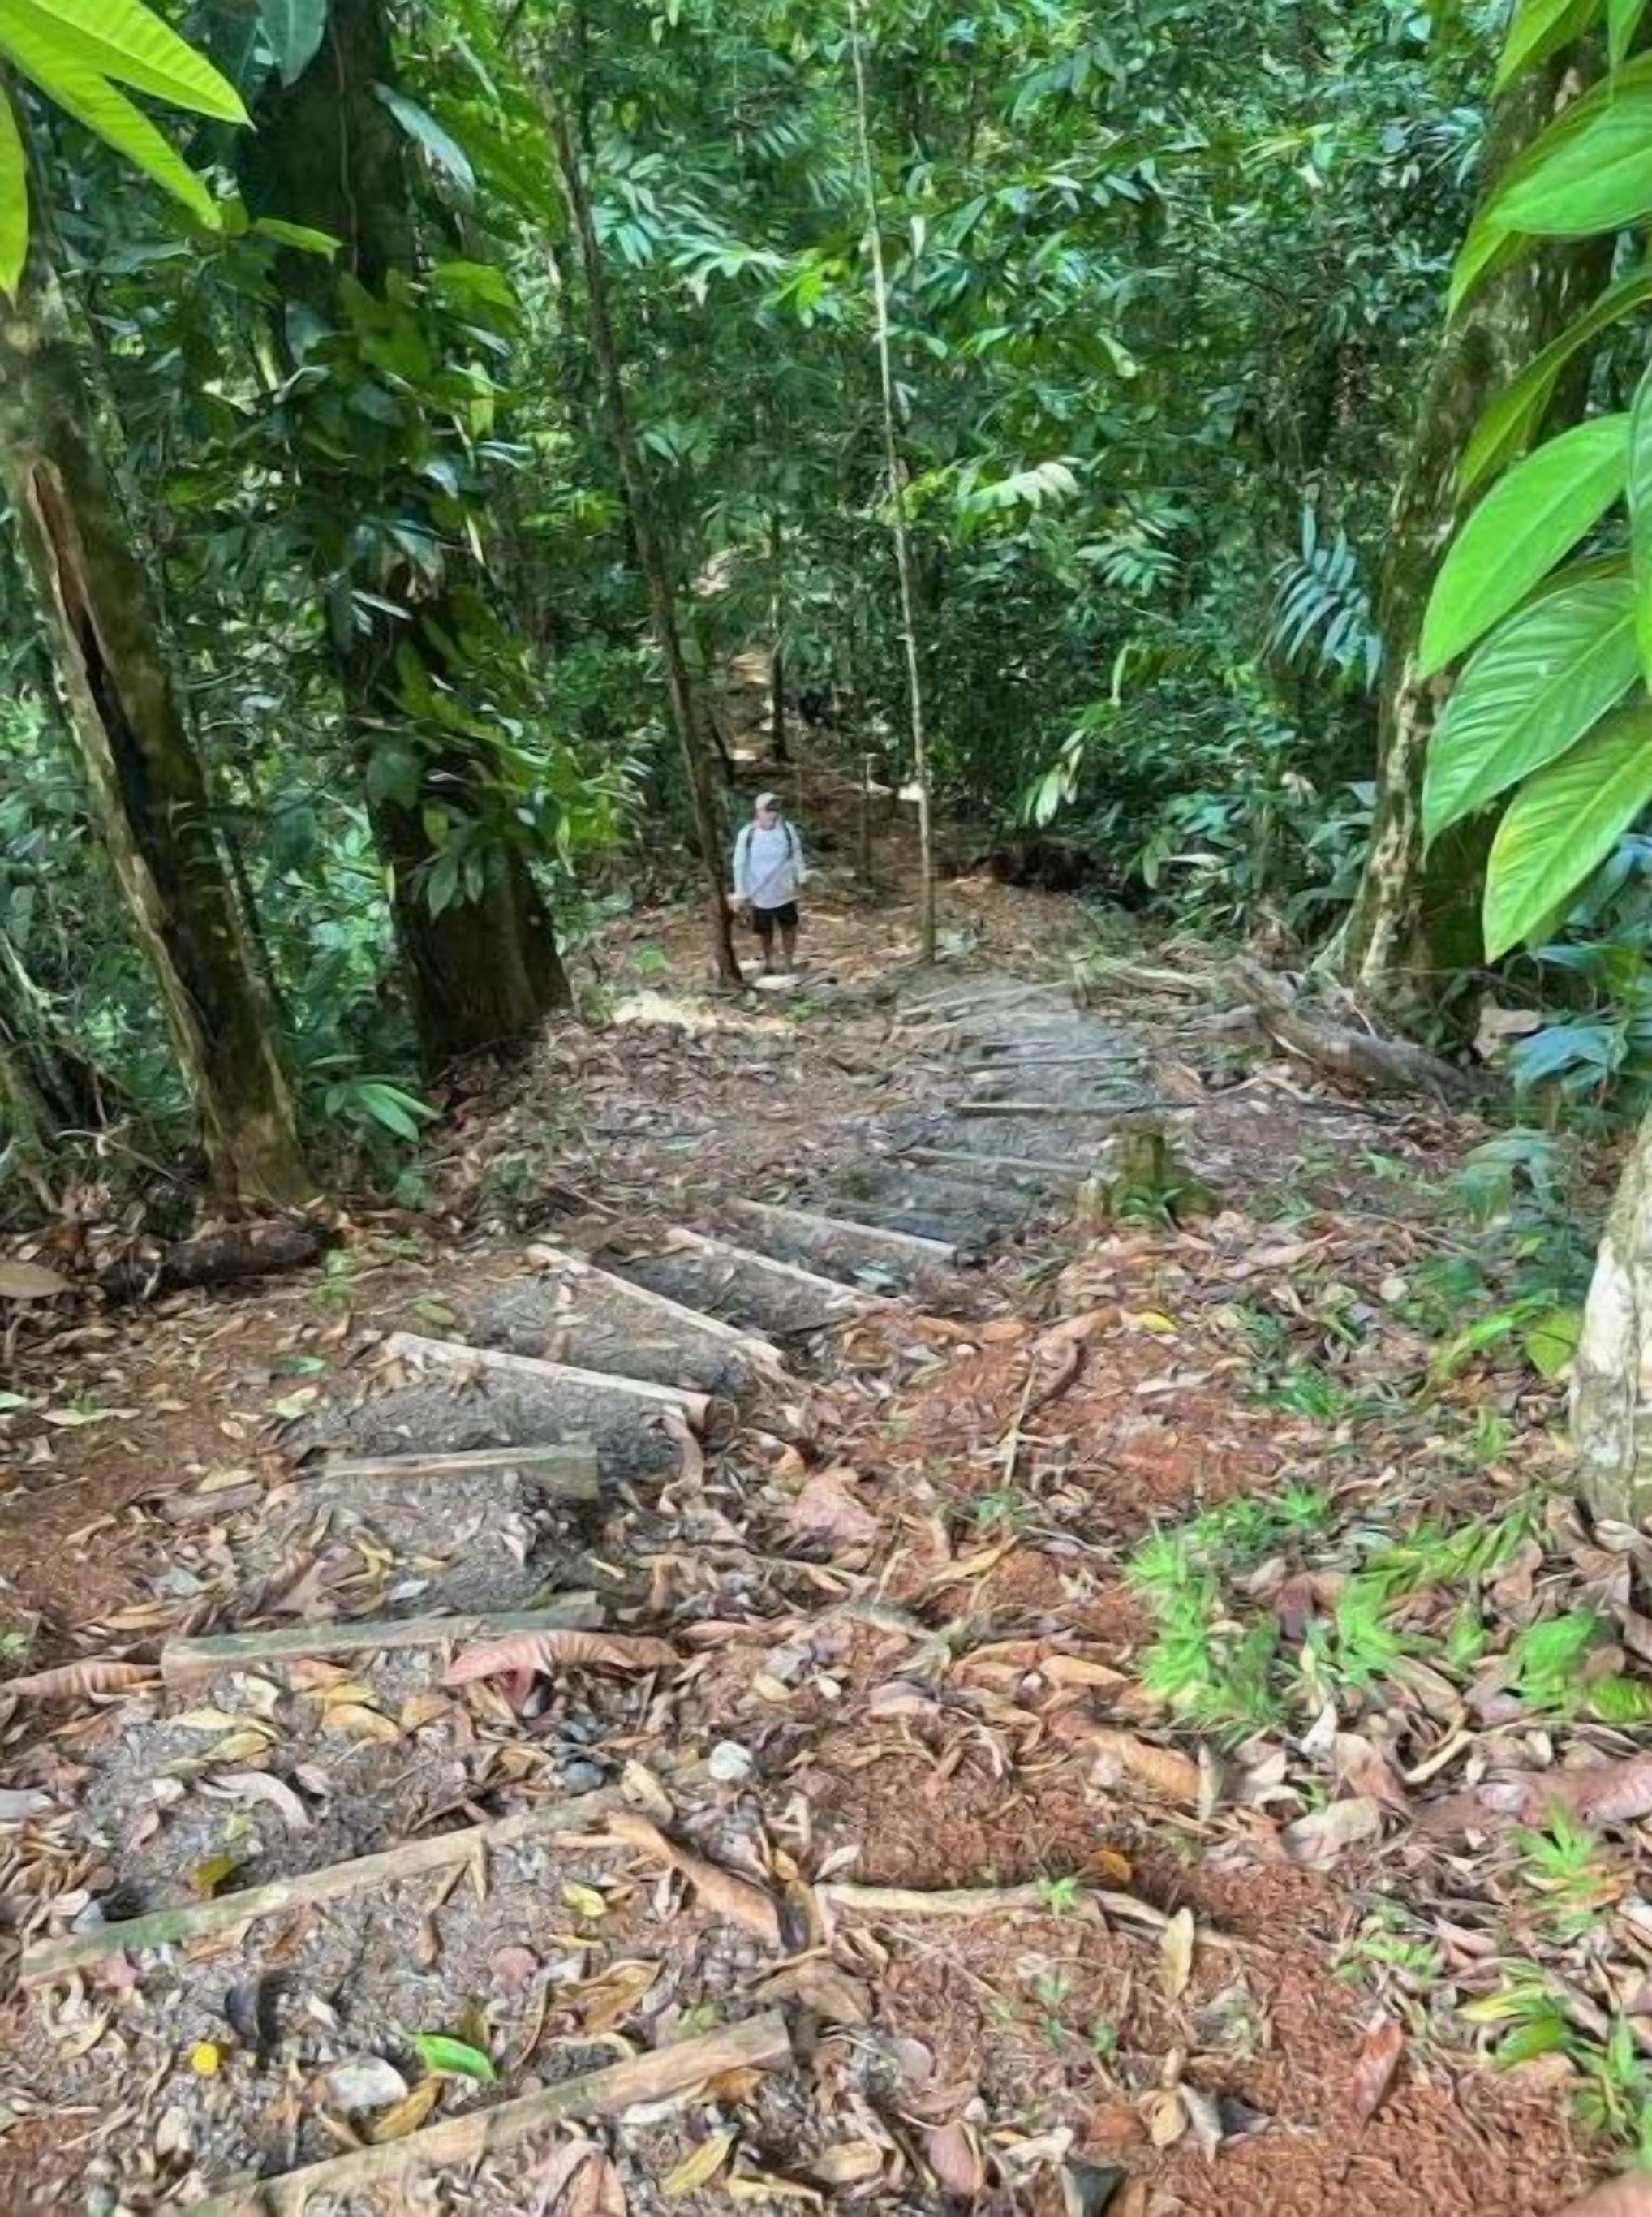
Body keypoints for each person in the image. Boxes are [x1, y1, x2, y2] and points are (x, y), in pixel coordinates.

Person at [733, 791, 807, 976]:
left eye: (775, 808)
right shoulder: (748, 834)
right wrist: (741, 892)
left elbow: (796, 854)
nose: (772, 813)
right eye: (768, 809)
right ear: (758, 811)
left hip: (785, 890)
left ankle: (789, 961)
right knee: (765, 931)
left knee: (789, 927)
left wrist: (801, 877)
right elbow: (739, 864)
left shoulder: (787, 830)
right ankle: (768, 962)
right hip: (760, 894)